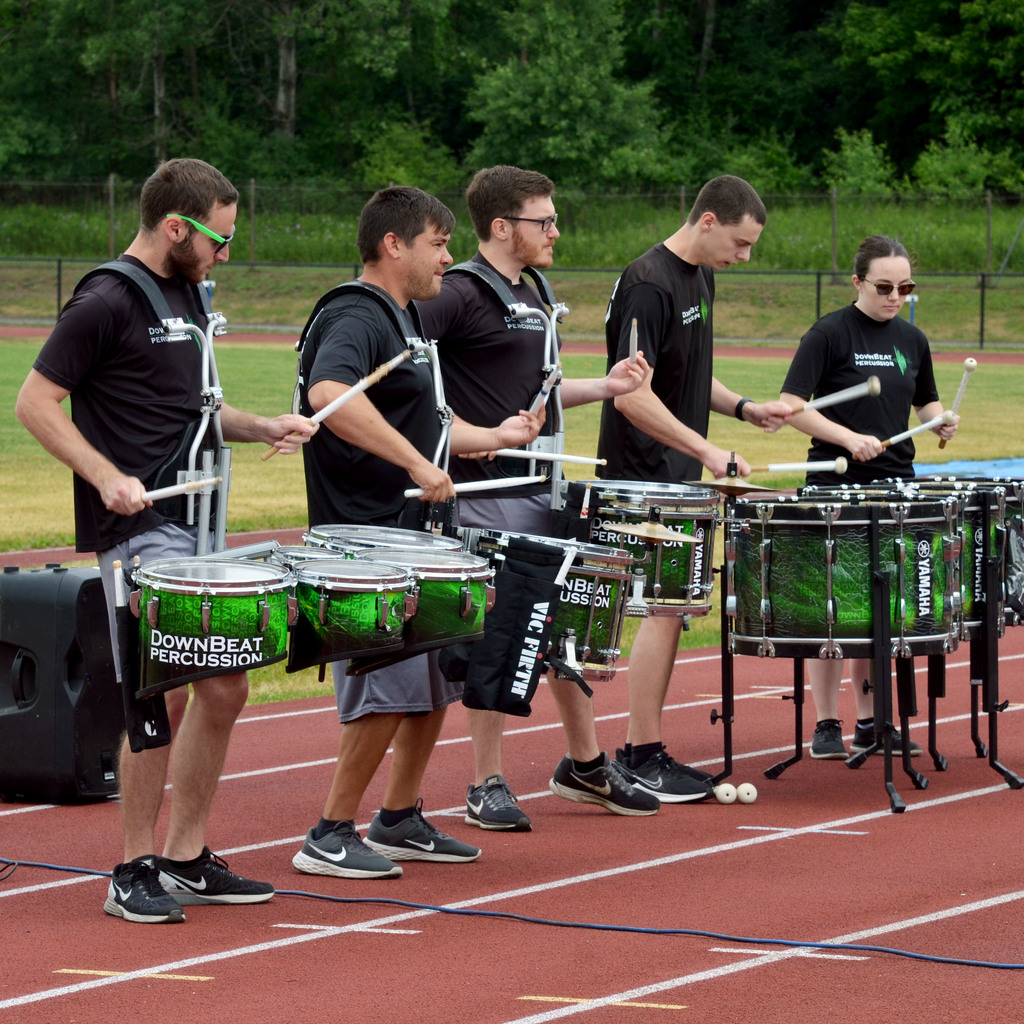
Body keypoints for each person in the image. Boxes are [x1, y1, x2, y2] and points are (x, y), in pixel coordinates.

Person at [15, 158, 316, 924]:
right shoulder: (105, 300)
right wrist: (105, 475)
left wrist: (261, 426)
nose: (226, 254)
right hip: (137, 530)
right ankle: (131, 869)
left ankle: (185, 857)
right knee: (160, 695)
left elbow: (195, 411)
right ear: (176, 227)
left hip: (195, 525)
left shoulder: (186, 294)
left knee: (224, 686)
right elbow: (35, 402)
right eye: (219, 239)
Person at [290, 185, 543, 879]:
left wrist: (495, 437)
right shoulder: (356, 312)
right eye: (438, 243)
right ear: (393, 244)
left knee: (434, 683)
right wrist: (411, 463)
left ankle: (398, 817)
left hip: (415, 536)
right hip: (366, 541)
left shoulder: (405, 321)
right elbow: (327, 395)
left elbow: (426, 427)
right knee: (389, 689)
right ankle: (328, 833)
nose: (448, 257)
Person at [416, 164, 662, 831]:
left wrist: (606, 386)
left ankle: (585, 764)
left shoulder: (534, 289)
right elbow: (404, 365)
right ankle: (485, 781)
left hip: (541, 490)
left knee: (564, 629)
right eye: (544, 221)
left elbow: (538, 393)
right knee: (499, 636)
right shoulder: (459, 292)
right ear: (502, 227)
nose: (555, 231)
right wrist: (461, 435)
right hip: (485, 495)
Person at [595, 175, 793, 799]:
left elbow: (688, 372)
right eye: (740, 242)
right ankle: (639, 752)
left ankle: (643, 748)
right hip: (641, 472)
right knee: (663, 609)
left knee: (673, 610)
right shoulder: (649, 283)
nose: (745, 256)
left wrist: (745, 409)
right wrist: (706, 450)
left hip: (676, 472)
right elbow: (631, 394)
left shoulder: (701, 275)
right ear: (708, 221)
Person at [779, 234, 958, 760]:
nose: (895, 296)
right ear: (857, 281)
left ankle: (870, 723)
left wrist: (939, 421)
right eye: (884, 287)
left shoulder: (912, 339)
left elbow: (925, 401)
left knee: (880, 609)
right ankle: (826, 724)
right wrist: (847, 438)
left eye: (905, 287)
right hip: (834, 485)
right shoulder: (829, 334)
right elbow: (792, 405)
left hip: (895, 486)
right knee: (832, 608)